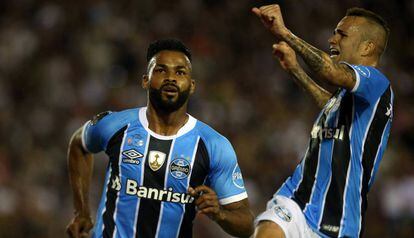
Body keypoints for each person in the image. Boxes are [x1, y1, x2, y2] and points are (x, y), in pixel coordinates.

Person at [65, 39, 254, 238]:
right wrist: (81, 212)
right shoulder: (115, 125)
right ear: (145, 80)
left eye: (180, 72)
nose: (171, 78)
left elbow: (247, 225)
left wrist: (220, 214)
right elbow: (79, 145)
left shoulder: (213, 145)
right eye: (161, 70)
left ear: (191, 86)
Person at [252, 4, 393, 238]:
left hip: (339, 222)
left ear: (367, 47)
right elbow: (330, 105)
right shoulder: (347, 97)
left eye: (342, 34)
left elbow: (331, 72)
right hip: (297, 198)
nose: (332, 39)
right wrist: (295, 70)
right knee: (268, 230)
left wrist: (285, 33)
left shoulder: (376, 82)